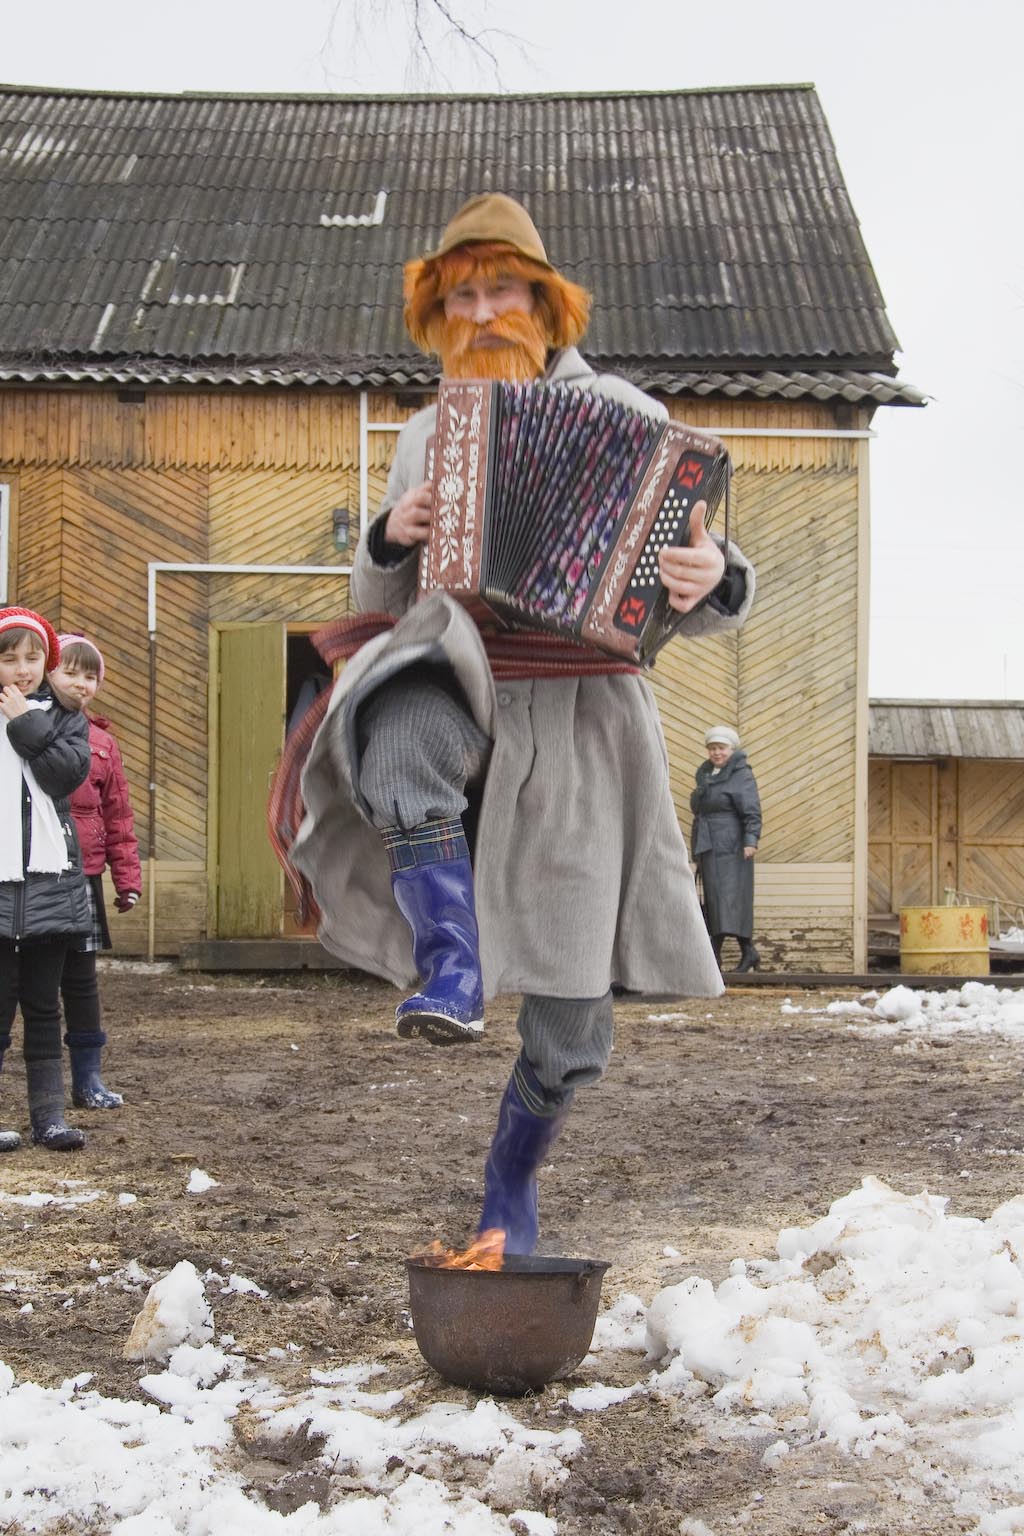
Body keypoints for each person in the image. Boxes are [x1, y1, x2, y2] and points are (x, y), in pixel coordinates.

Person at [284, 193, 756, 1253]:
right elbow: (384, 592)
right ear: (439, 313)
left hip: (583, 710)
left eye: (503, 290)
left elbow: (709, 574)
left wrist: (711, 574)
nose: (484, 311)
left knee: (571, 1015)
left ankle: (511, 1181)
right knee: (391, 739)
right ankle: (450, 964)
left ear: (544, 303)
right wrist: (388, 532)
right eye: (462, 296)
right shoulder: (420, 432)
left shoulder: (632, 416)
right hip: (459, 668)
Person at [0, 607, 91, 1151]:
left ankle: (49, 1118)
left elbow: (65, 774)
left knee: (42, 1005)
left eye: (32, 658)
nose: (21, 669)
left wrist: (24, 722)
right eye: (9, 658)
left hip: (48, 884)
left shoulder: (64, 716)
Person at [48, 634, 141, 1109]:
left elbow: (118, 818)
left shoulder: (104, 744)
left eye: (90, 675)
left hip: (82, 878)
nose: (81, 683)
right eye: (70, 671)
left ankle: (89, 1080)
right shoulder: (23, 731)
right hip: (32, 874)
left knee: (81, 982)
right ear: (47, 671)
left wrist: (127, 879)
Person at [690, 726, 763, 973]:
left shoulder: (740, 774)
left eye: (721, 748)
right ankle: (731, 954)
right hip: (710, 843)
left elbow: (751, 809)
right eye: (712, 748)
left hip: (732, 845)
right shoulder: (707, 773)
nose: (716, 752)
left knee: (732, 899)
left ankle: (735, 952)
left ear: (732, 749)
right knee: (714, 898)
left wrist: (750, 840)